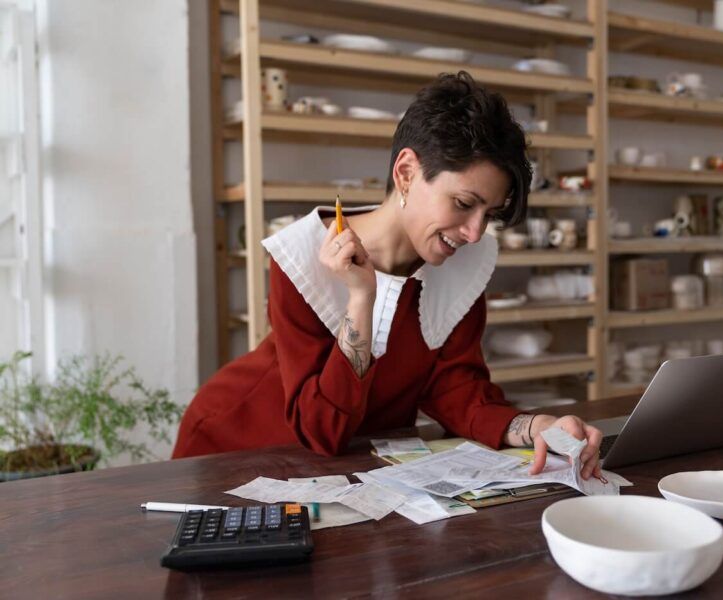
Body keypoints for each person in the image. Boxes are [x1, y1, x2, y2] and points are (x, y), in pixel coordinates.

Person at [172, 71, 604, 480]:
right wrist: (361, 300)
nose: (475, 232)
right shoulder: (300, 254)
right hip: (239, 446)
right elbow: (322, 430)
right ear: (406, 173)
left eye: (488, 214)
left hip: (353, 464)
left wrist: (539, 426)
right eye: (462, 203)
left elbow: (458, 391)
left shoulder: (462, 262)